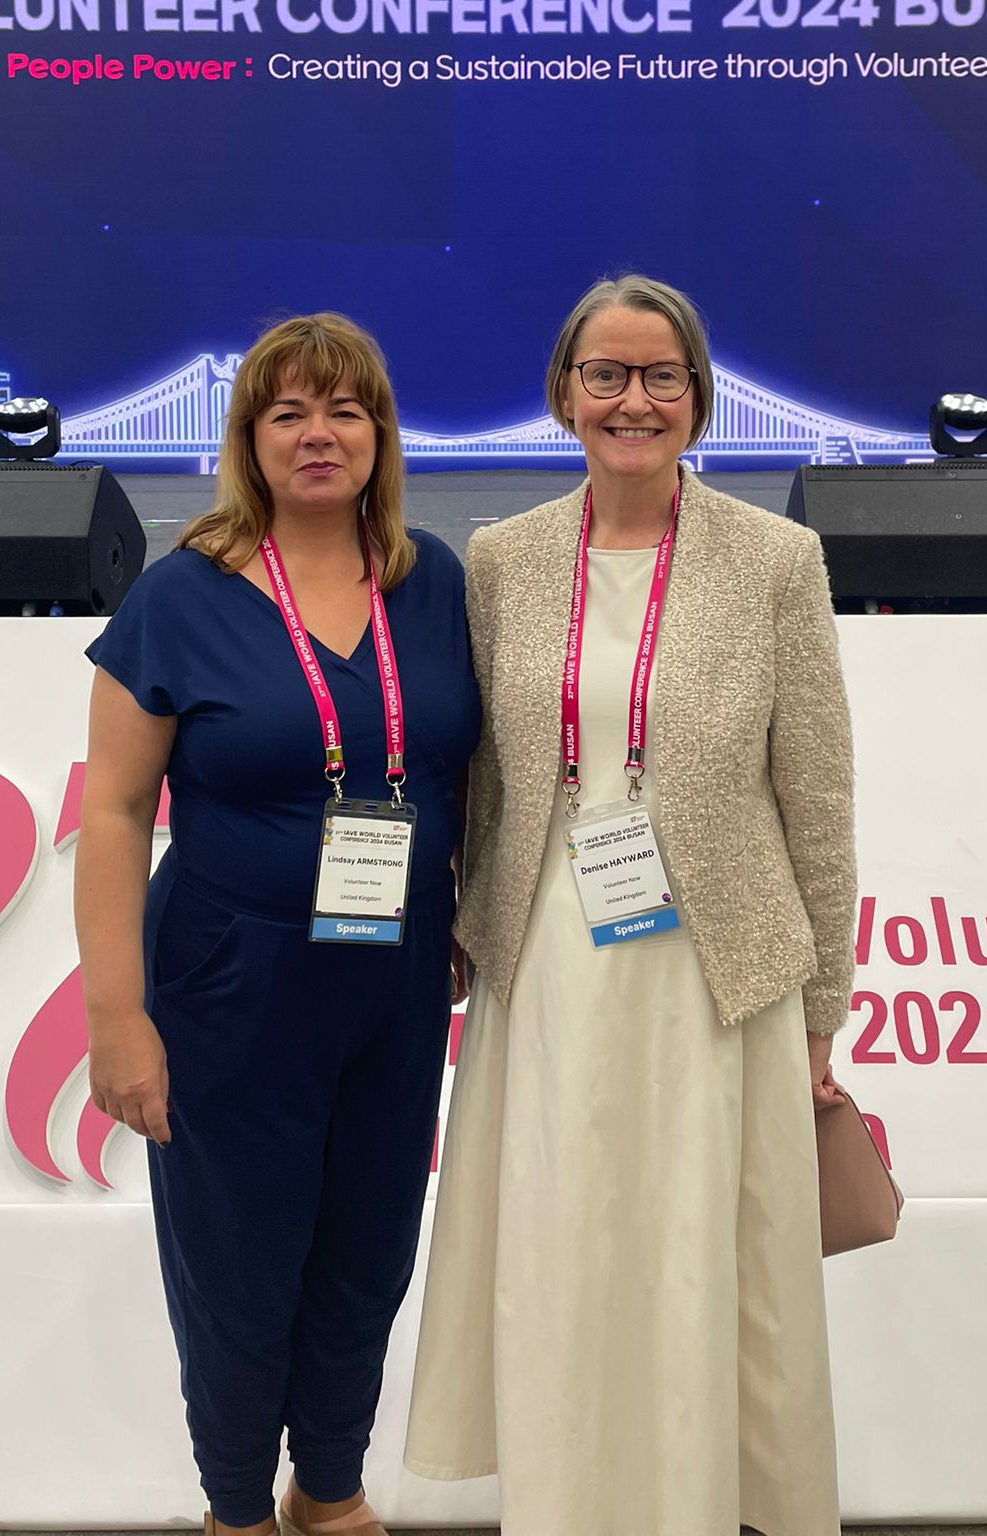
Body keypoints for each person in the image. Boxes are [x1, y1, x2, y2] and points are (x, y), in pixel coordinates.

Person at [405, 274, 857, 1536]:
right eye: (606, 373)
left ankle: (700, 1502)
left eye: (661, 376)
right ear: (564, 394)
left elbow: (816, 790)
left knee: (700, 1254)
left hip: (717, 967)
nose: (632, 399)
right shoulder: (503, 557)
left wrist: (828, 1000)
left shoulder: (778, 559)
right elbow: (482, 765)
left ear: (700, 400)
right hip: (548, 950)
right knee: (564, 1245)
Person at [76, 313, 480, 1536]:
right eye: (289, 411)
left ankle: (332, 1484)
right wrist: (117, 1015)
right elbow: (110, 809)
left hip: (396, 977)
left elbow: (461, 768)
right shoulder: (178, 593)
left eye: (345, 409)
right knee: (239, 1270)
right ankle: (238, 1506)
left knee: (366, 1255)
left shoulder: (435, 580)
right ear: (249, 437)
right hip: (227, 977)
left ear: (380, 434)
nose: (320, 433)